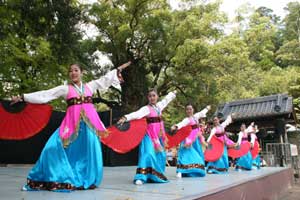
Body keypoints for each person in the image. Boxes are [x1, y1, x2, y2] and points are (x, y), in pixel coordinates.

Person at [11, 61, 131, 191]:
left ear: (81, 72)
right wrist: (23, 97)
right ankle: (54, 177)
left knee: (89, 151)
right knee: (51, 147)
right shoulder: (65, 89)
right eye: (71, 71)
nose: (73, 73)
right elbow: (46, 94)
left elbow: (104, 80)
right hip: (71, 125)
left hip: (89, 125)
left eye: (76, 70)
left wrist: (117, 70)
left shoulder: (90, 86)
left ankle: (87, 179)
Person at [118, 89, 177, 185]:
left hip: (158, 136)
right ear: (148, 98)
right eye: (150, 96)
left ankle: (154, 175)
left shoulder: (159, 107)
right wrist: (126, 117)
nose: (152, 98)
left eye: (154, 95)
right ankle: (141, 176)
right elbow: (136, 114)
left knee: (161, 155)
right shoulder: (146, 109)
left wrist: (173, 93)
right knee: (148, 154)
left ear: (157, 97)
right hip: (148, 135)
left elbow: (166, 100)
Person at [171, 104, 211, 178]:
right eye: (187, 109)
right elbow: (181, 124)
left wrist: (207, 108)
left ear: (193, 110)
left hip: (195, 140)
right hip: (188, 139)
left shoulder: (195, 117)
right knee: (185, 154)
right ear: (186, 111)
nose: (189, 111)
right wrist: (176, 126)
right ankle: (180, 171)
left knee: (197, 155)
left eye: (190, 109)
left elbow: (201, 113)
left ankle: (190, 171)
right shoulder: (187, 120)